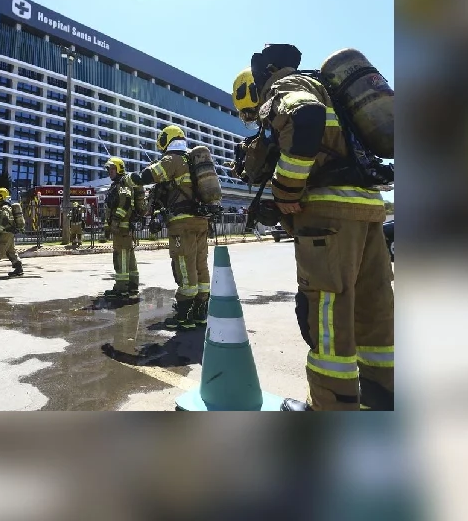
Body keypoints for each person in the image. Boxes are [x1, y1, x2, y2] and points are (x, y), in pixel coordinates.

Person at [230, 45, 393, 411]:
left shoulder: (285, 85)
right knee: (374, 312)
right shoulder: (328, 89)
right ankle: (380, 402)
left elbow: (305, 118)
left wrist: (286, 188)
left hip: (329, 217)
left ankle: (329, 409)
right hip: (368, 210)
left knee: (326, 315)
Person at [124, 125, 211, 330]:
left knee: (184, 264)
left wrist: (128, 179)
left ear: (166, 140)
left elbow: (147, 176)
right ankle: (200, 313)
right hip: (201, 221)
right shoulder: (193, 160)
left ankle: (183, 316)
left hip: (183, 223)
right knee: (201, 266)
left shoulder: (173, 160)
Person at [102, 157, 140, 300]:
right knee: (129, 259)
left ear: (119, 169)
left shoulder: (123, 184)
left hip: (122, 229)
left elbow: (125, 204)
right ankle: (132, 287)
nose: (110, 172)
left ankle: (122, 289)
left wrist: (116, 222)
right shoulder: (117, 184)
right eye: (108, 170)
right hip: (121, 229)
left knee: (121, 258)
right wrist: (108, 227)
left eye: (112, 169)